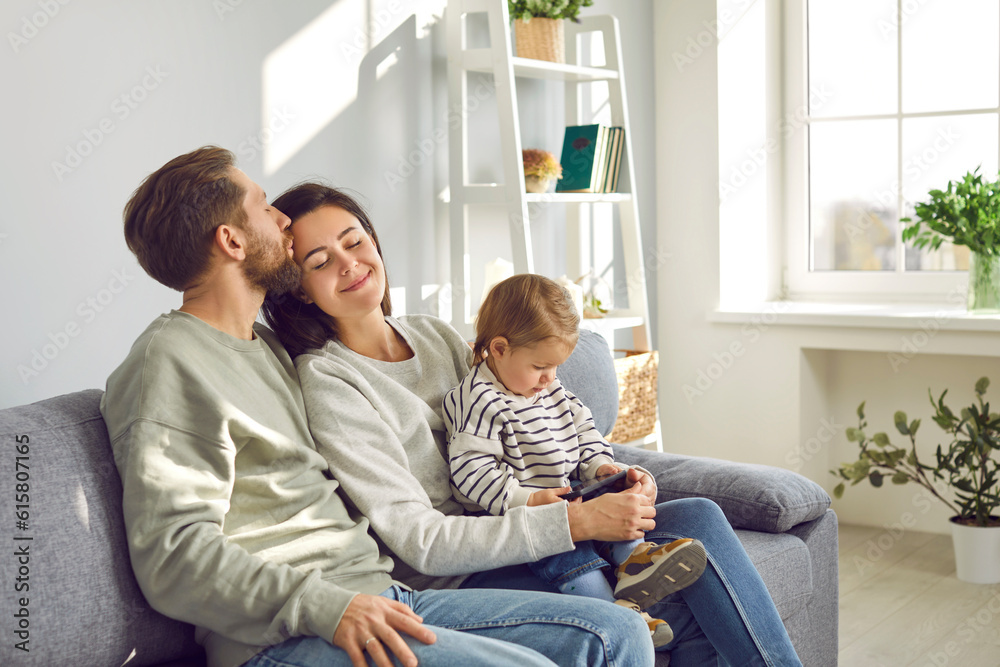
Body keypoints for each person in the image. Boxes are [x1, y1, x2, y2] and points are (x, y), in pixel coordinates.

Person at [100, 146, 655, 667]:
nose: (283, 220)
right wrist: (327, 606)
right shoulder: (167, 361)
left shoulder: (265, 350)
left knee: (618, 632)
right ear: (232, 240)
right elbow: (171, 558)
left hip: (378, 592)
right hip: (285, 637)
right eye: (264, 208)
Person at [262, 181, 804, 666]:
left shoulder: (434, 335)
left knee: (701, 520)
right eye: (319, 260)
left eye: (354, 241)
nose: (348, 264)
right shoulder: (332, 383)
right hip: (466, 567)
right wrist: (577, 524)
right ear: (301, 289)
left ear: (375, 243)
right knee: (684, 614)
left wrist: (610, 478)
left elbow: (539, 417)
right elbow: (421, 542)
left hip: (541, 515)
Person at [444, 273, 707, 647]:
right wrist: (529, 500)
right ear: (499, 349)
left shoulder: (550, 390)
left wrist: (602, 467)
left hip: (569, 498)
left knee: (615, 488)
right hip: (518, 518)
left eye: (555, 368)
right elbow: (472, 473)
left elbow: (586, 432)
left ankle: (636, 561)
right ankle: (619, 615)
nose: (549, 378)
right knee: (566, 552)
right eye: (539, 367)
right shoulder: (477, 399)